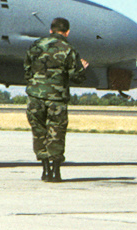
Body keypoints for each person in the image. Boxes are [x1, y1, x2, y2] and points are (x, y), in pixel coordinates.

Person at [24, 17, 89, 181]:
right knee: (56, 133)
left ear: (50, 30)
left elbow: (27, 70)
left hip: (35, 97)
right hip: (57, 100)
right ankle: (56, 173)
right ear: (67, 32)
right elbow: (77, 77)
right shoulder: (69, 50)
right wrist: (82, 67)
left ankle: (45, 171)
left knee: (39, 132)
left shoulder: (36, 46)